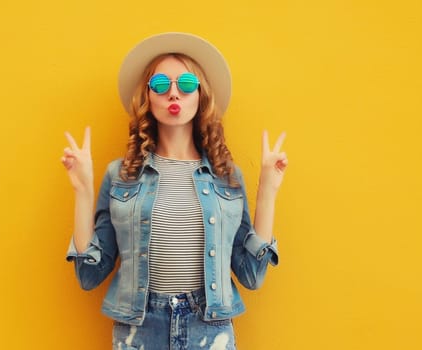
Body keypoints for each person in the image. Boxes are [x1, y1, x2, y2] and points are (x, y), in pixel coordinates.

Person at [61, 32, 288, 350]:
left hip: (209, 326)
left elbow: (251, 274)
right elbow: (89, 276)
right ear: (147, 96)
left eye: (186, 84)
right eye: (160, 85)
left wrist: (268, 189)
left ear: (201, 95)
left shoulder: (227, 177)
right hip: (139, 327)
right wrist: (83, 189)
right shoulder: (121, 175)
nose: (173, 94)